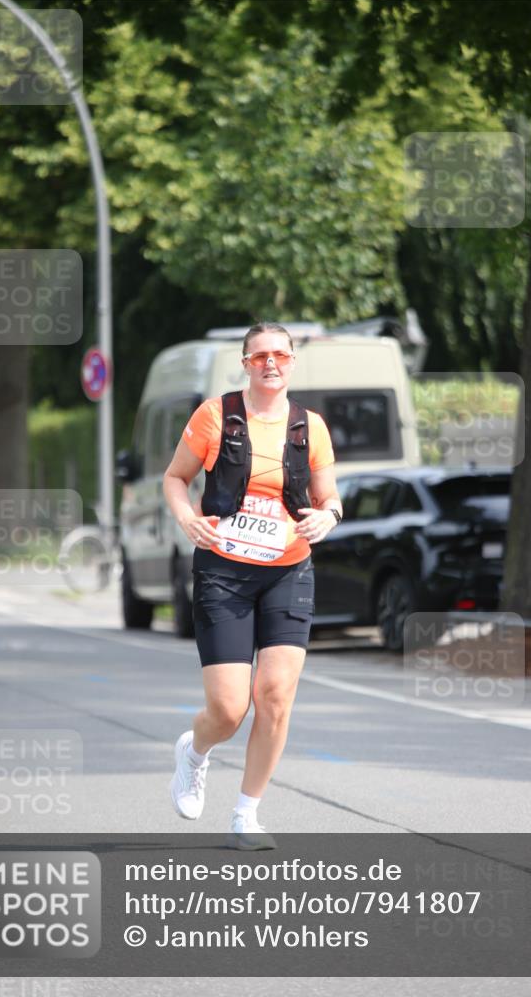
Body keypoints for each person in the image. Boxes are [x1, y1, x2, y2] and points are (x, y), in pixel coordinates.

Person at [162, 322, 342, 849]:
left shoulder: (310, 427)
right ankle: (194, 753)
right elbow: (174, 478)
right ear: (245, 362)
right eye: (260, 355)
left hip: (289, 570)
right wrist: (184, 519)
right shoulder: (216, 416)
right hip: (223, 571)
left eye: (281, 356)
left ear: (292, 363)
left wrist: (327, 519)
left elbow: (329, 498)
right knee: (229, 709)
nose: (271, 363)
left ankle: (247, 814)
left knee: (276, 696)